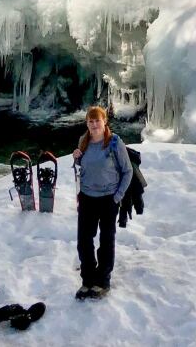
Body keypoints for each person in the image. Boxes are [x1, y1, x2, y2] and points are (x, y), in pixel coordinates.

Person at [73, 105, 132, 300]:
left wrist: (117, 197)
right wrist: (76, 159)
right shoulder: (84, 141)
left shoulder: (114, 143)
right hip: (87, 198)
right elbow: (82, 168)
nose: (94, 124)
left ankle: (103, 280)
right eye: (90, 121)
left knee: (106, 240)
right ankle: (87, 279)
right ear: (87, 123)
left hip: (108, 199)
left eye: (97, 120)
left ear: (104, 121)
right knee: (84, 241)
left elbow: (127, 171)